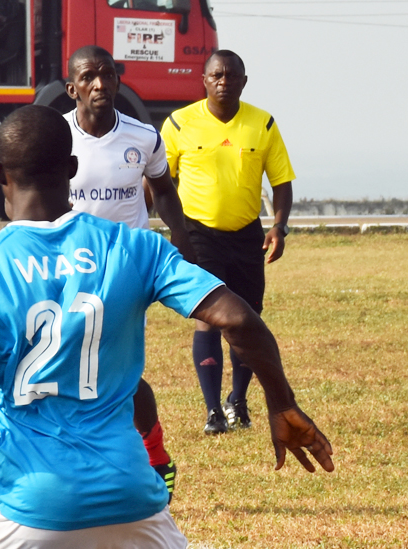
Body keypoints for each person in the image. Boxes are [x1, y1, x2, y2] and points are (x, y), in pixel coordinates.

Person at [0, 105, 333, 549]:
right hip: (130, 498)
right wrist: (280, 403)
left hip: (29, 503)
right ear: (72, 168)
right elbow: (239, 320)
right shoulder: (133, 246)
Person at [62, 45, 194, 500]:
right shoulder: (55, 138)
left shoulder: (143, 137)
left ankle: (153, 455)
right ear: (72, 87)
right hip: (68, 269)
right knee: (81, 368)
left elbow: (164, 190)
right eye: (89, 76)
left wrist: (181, 237)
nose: (100, 84)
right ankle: (132, 455)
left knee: (113, 369)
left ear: (117, 81)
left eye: (107, 75)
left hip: (124, 270)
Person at [161, 50, 295, 435]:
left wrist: (279, 226)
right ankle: (212, 411)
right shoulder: (179, 124)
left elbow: (282, 182)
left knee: (248, 321)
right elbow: (158, 183)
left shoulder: (263, 124)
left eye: (231, 75)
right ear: (204, 80)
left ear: (243, 81)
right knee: (208, 321)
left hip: (247, 236)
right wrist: (168, 228)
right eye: (216, 75)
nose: (224, 81)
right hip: (199, 236)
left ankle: (238, 401)